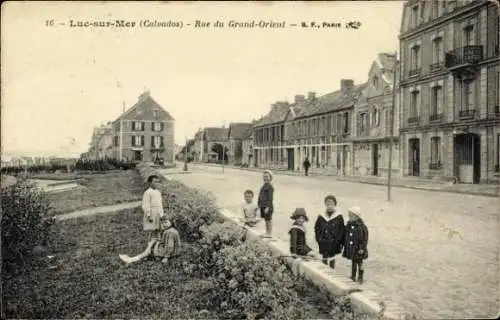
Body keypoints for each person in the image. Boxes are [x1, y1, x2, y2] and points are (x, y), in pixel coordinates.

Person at [118, 174, 165, 264]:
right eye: (155, 182)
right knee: (152, 233)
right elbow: (146, 205)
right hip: (151, 215)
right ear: (150, 183)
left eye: (158, 182)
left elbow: (160, 205)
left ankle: (155, 249)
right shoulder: (148, 192)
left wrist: (162, 215)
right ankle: (149, 249)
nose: (157, 184)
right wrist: (149, 215)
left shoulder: (158, 192)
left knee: (158, 232)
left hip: (158, 214)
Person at [314, 195, 345, 269]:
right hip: (323, 241)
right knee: (324, 257)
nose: (329, 205)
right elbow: (316, 228)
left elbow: (342, 230)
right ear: (325, 204)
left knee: (332, 257)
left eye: (331, 203)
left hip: (334, 242)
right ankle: (323, 272)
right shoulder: (321, 216)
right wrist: (319, 239)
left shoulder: (339, 217)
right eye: (327, 203)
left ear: (335, 204)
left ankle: (331, 271)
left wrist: (338, 241)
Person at [342, 206, 369, 284]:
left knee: (360, 262)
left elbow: (365, 239)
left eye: (351, 216)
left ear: (357, 216)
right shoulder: (349, 225)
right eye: (349, 216)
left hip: (359, 249)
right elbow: (346, 235)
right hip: (353, 249)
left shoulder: (362, 227)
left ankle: (360, 277)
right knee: (353, 263)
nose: (349, 217)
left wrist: (362, 248)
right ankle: (353, 276)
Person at [258, 170, 274, 238]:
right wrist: (259, 204)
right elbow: (260, 195)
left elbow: (270, 198)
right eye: (264, 176)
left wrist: (268, 207)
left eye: (267, 176)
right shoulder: (264, 185)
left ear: (270, 177)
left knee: (268, 219)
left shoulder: (270, 186)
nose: (265, 178)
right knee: (265, 219)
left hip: (268, 206)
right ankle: (267, 232)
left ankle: (269, 233)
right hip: (263, 205)